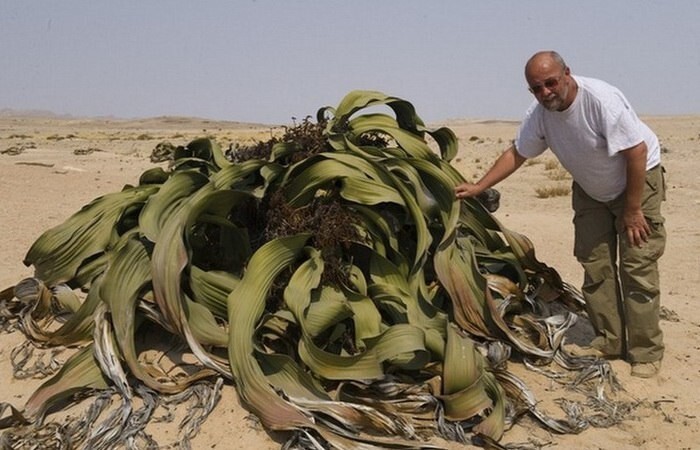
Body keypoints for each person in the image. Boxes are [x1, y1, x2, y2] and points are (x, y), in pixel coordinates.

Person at [455, 50, 666, 378]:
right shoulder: (539, 114)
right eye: (536, 88)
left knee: (636, 266)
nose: (545, 93)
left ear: (567, 73)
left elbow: (636, 153)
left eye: (550, 83)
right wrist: (479, 186)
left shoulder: (601, 101)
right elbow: (518, 152)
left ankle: (645, 350)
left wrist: (633, 209)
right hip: (591, 187)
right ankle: (609, 340)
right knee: (595, 264)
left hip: (636, 180)